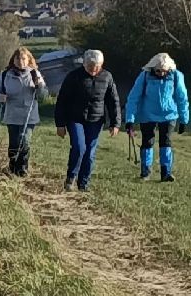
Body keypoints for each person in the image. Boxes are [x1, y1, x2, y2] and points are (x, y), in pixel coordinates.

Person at [54, 50, 122, 191]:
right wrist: (60, 124)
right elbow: (62, 101)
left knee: (90, 152)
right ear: (84, 64)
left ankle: (84, 184)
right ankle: (71, 178)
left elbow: (113, 101)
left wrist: (115, 123)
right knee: (79, 148)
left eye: (97, 67)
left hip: (96, 120)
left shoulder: (107, 77)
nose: (93, 69)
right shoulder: (74, 77)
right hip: (75, 118)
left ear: (101, 65)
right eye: (90, 66)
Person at [123, 53, 188, 182]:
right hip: (148, 114)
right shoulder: (145, 76)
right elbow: (133, 97)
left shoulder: (176, 76)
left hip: (169, 115)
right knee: (147, 142)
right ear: (153, 68)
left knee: (166, 142)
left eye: (164, 71)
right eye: (158, 71)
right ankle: (145, 172)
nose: (161, 74)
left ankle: (166, 173)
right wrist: (129, 119)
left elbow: (182, 98)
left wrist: (184, 120)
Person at [0, 48, 46, 177]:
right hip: (12, 114)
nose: (20, 61)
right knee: (14, 142)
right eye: (18, 58)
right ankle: (13, 166)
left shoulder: (34, 74)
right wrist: (0, 97)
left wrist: (39, 86)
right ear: (13, 60)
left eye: (23, 58)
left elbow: (43, 96)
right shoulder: (5, 75)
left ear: (28, 60)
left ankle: (22, 169)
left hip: (29, 114)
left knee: (25, 140)